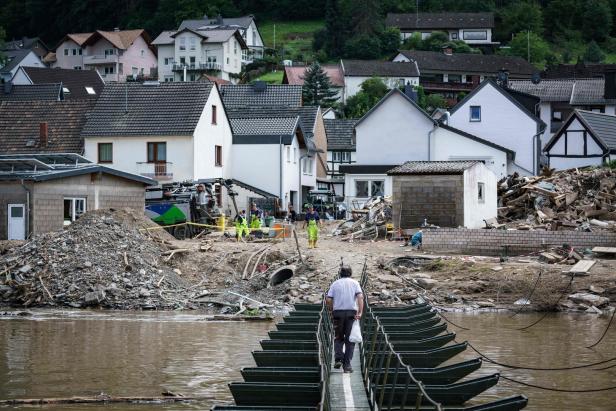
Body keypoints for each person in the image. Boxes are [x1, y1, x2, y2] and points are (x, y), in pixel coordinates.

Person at [326, 266, 363, 373]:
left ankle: (338, 359)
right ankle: (347, 366)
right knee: (350, 340)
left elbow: (328, 299)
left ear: (340, 274)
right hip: (351, 313)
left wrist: (331, 310)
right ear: (350, 273)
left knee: (338, 337)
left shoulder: (335, 284)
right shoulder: (355, 283)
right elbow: (360, 297)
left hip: (338, 313)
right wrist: (360, 312)